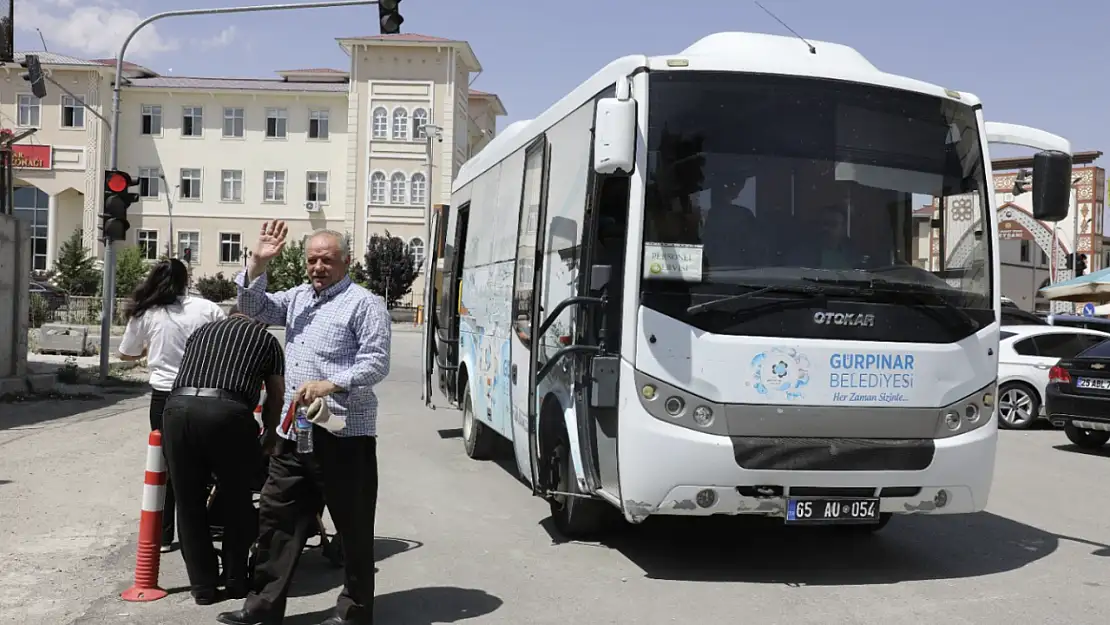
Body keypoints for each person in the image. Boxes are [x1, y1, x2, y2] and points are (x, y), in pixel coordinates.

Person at [218, 223, 391, 625]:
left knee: (352, 526)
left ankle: (354, 612)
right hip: (293, 433)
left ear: (346, 261)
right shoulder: (298, 298)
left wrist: (331, 383)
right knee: (278, 519)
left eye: (327, 260)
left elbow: (376, 361)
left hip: (344, 433)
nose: (318, 267)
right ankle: (263, 606)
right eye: (312, 259)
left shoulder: (364, 304)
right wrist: (258, 264)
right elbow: (254, 309)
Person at [162, 306, 286, 605]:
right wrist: (270, 432)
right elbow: (277, 394)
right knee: (236, 498)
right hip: (227, 413)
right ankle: (235, 581)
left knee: (188, 502)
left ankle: (203, 587)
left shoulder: (201, 332)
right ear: (260, 319)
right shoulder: (266, 339)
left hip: (176, 409)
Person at [117, 258, 225, 553]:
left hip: (165, 396)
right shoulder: (208, 309)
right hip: (204, 392)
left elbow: (127, 353)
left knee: (163, 465)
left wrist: (151, 350)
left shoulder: (147, 312)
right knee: (205, 464)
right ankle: (208, 526)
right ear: (186, 279)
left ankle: (163, 535)